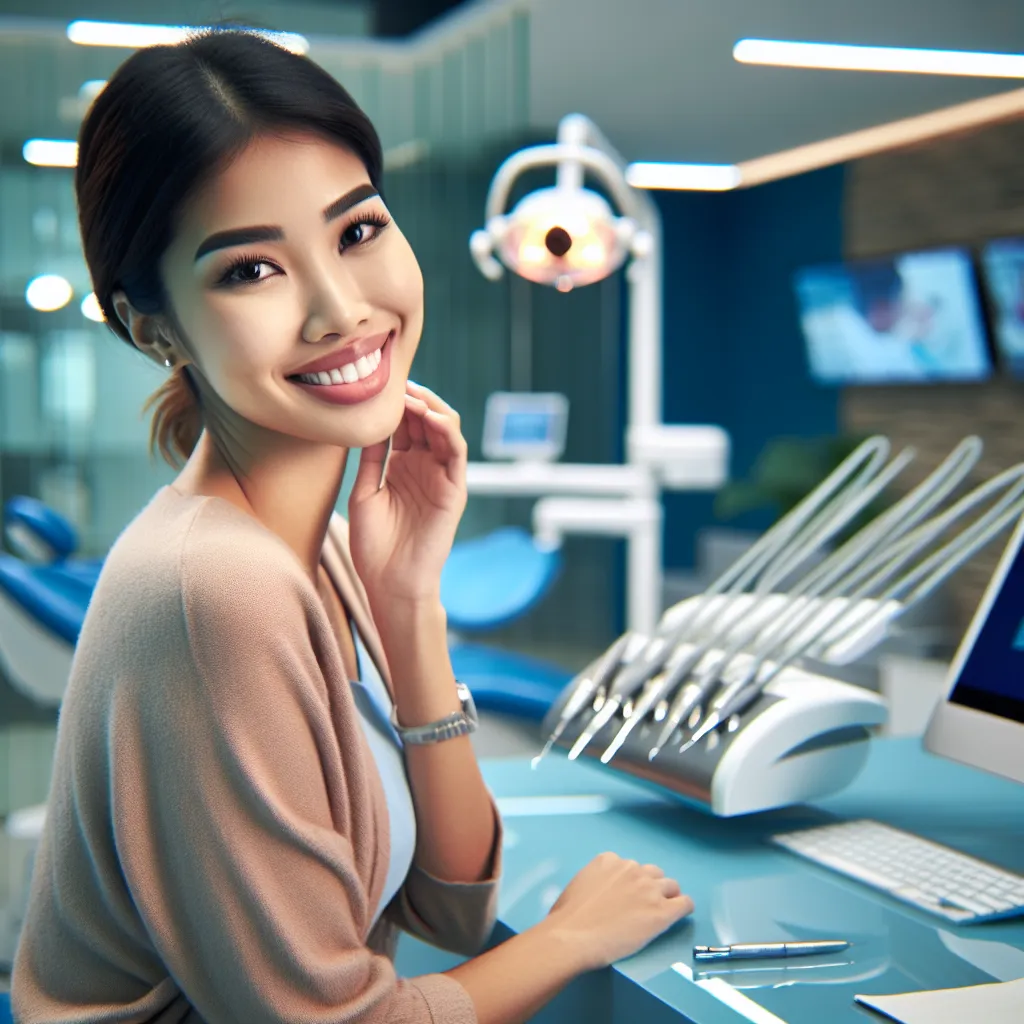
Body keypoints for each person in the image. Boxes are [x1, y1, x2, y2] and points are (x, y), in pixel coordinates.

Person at [11, 30, 694, 1024]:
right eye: (249, 270)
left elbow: (450, 906)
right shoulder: (217, 590)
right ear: (152, 327)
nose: (340, 309)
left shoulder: (314, 548)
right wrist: (571, 938)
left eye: (357, 230)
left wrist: (408, 601)